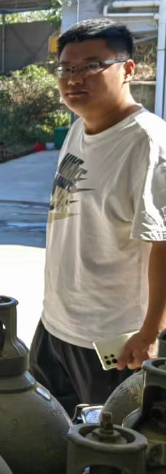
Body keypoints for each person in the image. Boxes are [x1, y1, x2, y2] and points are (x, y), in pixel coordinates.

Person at [33, 18, 166, 415]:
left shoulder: (148, 144)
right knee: (49, 433)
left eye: (92, 66)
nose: (74, 78)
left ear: (128, 69)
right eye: (66, 68)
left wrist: (150, 333)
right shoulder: (79, 129)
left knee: (107, 442)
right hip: (56, 326)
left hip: (114, 343)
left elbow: (163, 243)